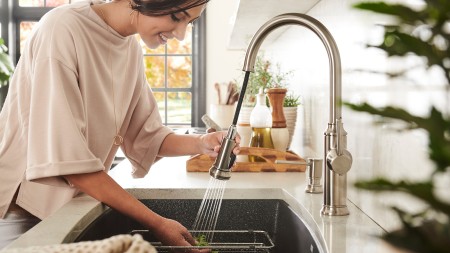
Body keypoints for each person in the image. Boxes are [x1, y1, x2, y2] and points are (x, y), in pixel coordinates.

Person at [0, 0, 239, 251]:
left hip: (68, 206)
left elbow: (148, 135)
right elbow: (70, 163)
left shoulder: (130, 49)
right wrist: (157, 223)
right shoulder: (62, 29)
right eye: (177, 17)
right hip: (21, 212)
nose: (180, 34)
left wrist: (202, 143)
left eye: (189, 22)